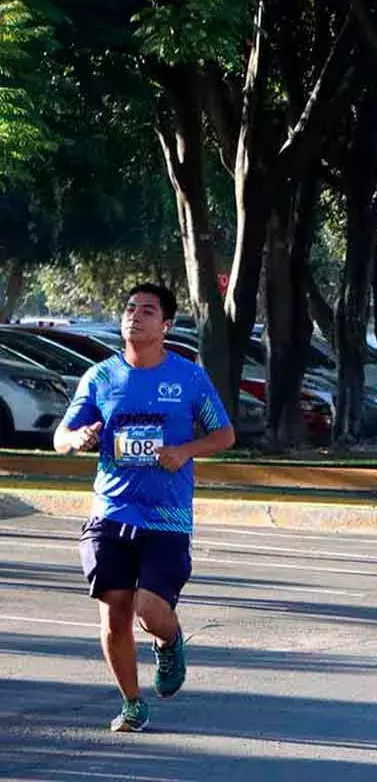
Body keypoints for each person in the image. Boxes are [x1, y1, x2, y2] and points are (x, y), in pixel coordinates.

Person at [57, 283, 236, 732]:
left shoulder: (189, 376)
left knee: (150, 610)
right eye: (130, 308)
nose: (135, 316)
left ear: (167, 325)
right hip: (112, 512)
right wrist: (77, 440)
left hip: (167, 516)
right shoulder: (99, 377)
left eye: (148, 311)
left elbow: (224, 434)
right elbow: (62, 436)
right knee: (115, 613)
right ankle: (132, 703)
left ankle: (171, 640)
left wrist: (184, 451)